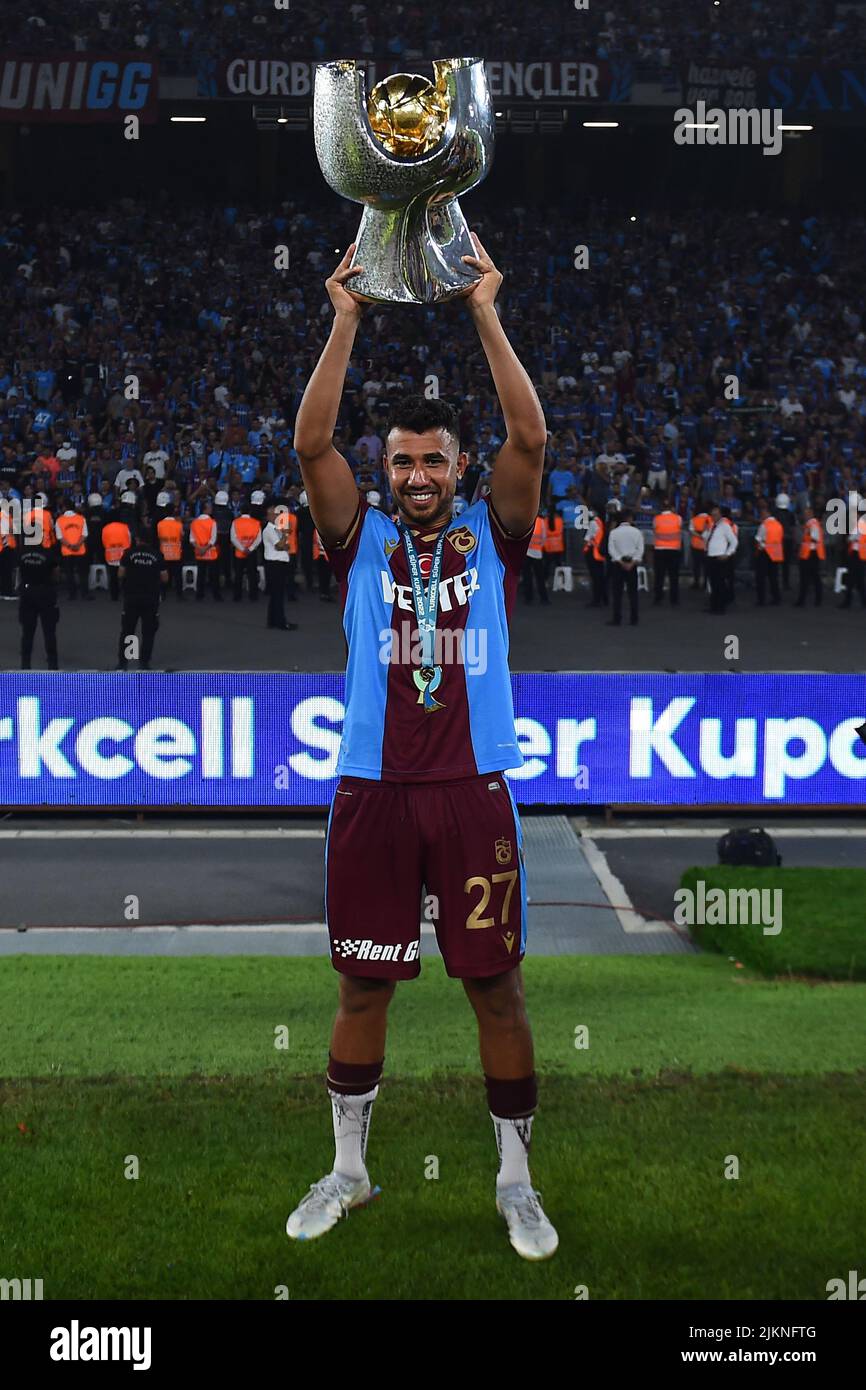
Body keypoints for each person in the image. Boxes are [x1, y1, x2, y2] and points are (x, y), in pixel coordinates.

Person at [286, 236, 557, 1261]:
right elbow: (312, 445)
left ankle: (515, 1182)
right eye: (398, 459)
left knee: (496, 986)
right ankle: (349, 1170)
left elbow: (527, 437)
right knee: (362, 985)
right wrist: (346, 315)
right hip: (372, 789)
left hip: (471, 789)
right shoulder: (355, 534)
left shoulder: (493, 531)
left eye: (430, 459)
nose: (412, 475)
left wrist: (484, 307)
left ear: (454, 467)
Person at [117, 524, 167, 670]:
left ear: (137, 538)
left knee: (128, 630)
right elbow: (164, 577)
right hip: (150, 598)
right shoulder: (157, 555)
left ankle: (124, 662)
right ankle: (144, 662)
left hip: (132, 597)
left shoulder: (128, 553)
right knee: (148, 631)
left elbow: (120, 573)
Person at [19, 540, 60, 669]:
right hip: (45, 592)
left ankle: (25, 665)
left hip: (27, 592)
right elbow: (56, 573)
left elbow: (19, 571)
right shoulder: (48, 553)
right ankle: (53, 665)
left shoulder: (21, 553)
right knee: (49, 631)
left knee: (27, 632)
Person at [262, 505, 298, 631]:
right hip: (275, 564)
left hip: (278, 563)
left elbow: (285, 546)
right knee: (278, 594)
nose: (277, 516)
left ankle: (272, 620)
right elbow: (279, 546)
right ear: (268, 516)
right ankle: (281, 622)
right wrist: (285, 535)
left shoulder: (276, 529)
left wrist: (284, 540)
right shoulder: (269, 530)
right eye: (274, 514)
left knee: (275, 594)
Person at [606, 507, 644, 626]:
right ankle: (634, 618)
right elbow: (640, 549)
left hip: (618, 565)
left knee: (617, 594)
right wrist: (633, 562)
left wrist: (620, 561)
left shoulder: (614, 532)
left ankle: (617, 618)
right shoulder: (637, 532)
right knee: (633, 593)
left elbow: (611, 550)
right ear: (630, 518)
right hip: (632, 563)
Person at [705, 504, 738, 614]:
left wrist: (727, 554)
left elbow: (734, 541)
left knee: (719, 583)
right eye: (712, 514)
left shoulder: (724, 526)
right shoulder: (713, 526)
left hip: (719, 557)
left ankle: (720, 607)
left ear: (720, 515)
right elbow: (706, 538)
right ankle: (714, 606)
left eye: (715, 514)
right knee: (713, 583)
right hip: (711, 557)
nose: (713, 516)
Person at [55, 505, 90, 599]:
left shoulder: (59, 520)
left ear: (63, 508)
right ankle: (85, 593)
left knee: (69, 574)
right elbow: (85, 534)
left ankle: (72, 594)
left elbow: (60, 537)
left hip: (67, 551)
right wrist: (78, 545)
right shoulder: (81, 518)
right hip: (80, 550)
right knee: (82, 573)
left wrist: (70, 546)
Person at [652, 498, 682, 605]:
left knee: (659, 575)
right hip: (674, 550)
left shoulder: (657, 518)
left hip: (660, 550)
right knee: (673, 576)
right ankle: (674, 599)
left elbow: (654, 529)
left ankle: (658, 597)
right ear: (671, 507)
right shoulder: (678, 518)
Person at [754, 500, 783, 606]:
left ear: (766, 513)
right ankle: (776, 598)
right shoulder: (778, 525)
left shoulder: (764, 525)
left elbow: (758, 539)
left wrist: (757, 552)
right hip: (775, 553)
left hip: (764, 553)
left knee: (761, 578)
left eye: (762, 513)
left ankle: (761, 600)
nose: (761, 515)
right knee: (773, 578)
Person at [190, 502, 221, 600]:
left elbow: (192, 539)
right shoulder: (212, 522)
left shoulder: (194, 522)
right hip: (210, 552)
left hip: (199, 552)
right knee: (214, 575)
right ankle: (216, 595)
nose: (211, 509)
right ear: (205, 509)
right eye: (210, 508)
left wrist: (199, 548)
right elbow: (213, 539)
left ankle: (199, 595)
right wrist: (205, 548)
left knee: (201, 574)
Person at [794, 504, 825, 607]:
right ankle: (817, 599)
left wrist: (805, 536)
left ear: (811, 514)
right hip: (811, 553)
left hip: (810, 554)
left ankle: (803, 600)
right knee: (814, 577)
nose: (804, 515)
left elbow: (814, 538)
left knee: (807, 578)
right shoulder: (811, 524)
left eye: (806, 513)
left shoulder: (812, 524)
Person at [231, 504, 262, 601]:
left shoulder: (235, 522)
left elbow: (233, 538)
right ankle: (253, 595)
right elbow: (258, 538)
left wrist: (242, 548)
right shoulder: (256, 523)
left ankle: (237, 596)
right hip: (251, 553)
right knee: (252, 574)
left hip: (239, 552)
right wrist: (251, 548)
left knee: (238, 575)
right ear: (250, 512)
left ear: (240, 511)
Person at [101, 513, 132, 601]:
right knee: (126, 576)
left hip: (111, 556)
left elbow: (103, 542)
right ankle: (126, 594)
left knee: (113, 577)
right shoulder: (125, 527)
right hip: (124, 555)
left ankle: (114, 596)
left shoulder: (105, 528)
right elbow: (129, 540)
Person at [157, 504, 185, 600]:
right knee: (178, 576)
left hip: (164, 552)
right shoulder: (179, 524)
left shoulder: (160, 524)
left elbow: (159, 537)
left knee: (163, 574)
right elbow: (182, 536)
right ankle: (179, 595)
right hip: (176, 553)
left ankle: (163, 594)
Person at [522, 508, 549, 604]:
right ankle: (544, 598)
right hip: (537, 553)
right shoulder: (541, 521)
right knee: (539, 577)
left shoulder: (525, 521)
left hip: (527, 552)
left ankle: (529, 598)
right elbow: (544, 537)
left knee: (528, 576)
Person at [583, 506, 607, 607]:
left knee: (595, 577)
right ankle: (604, 598)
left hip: (592, 552)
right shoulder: (601, 522)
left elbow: (587, 538)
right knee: (600, 576)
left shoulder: (593, 523)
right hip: (599, 552)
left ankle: (596, 599)